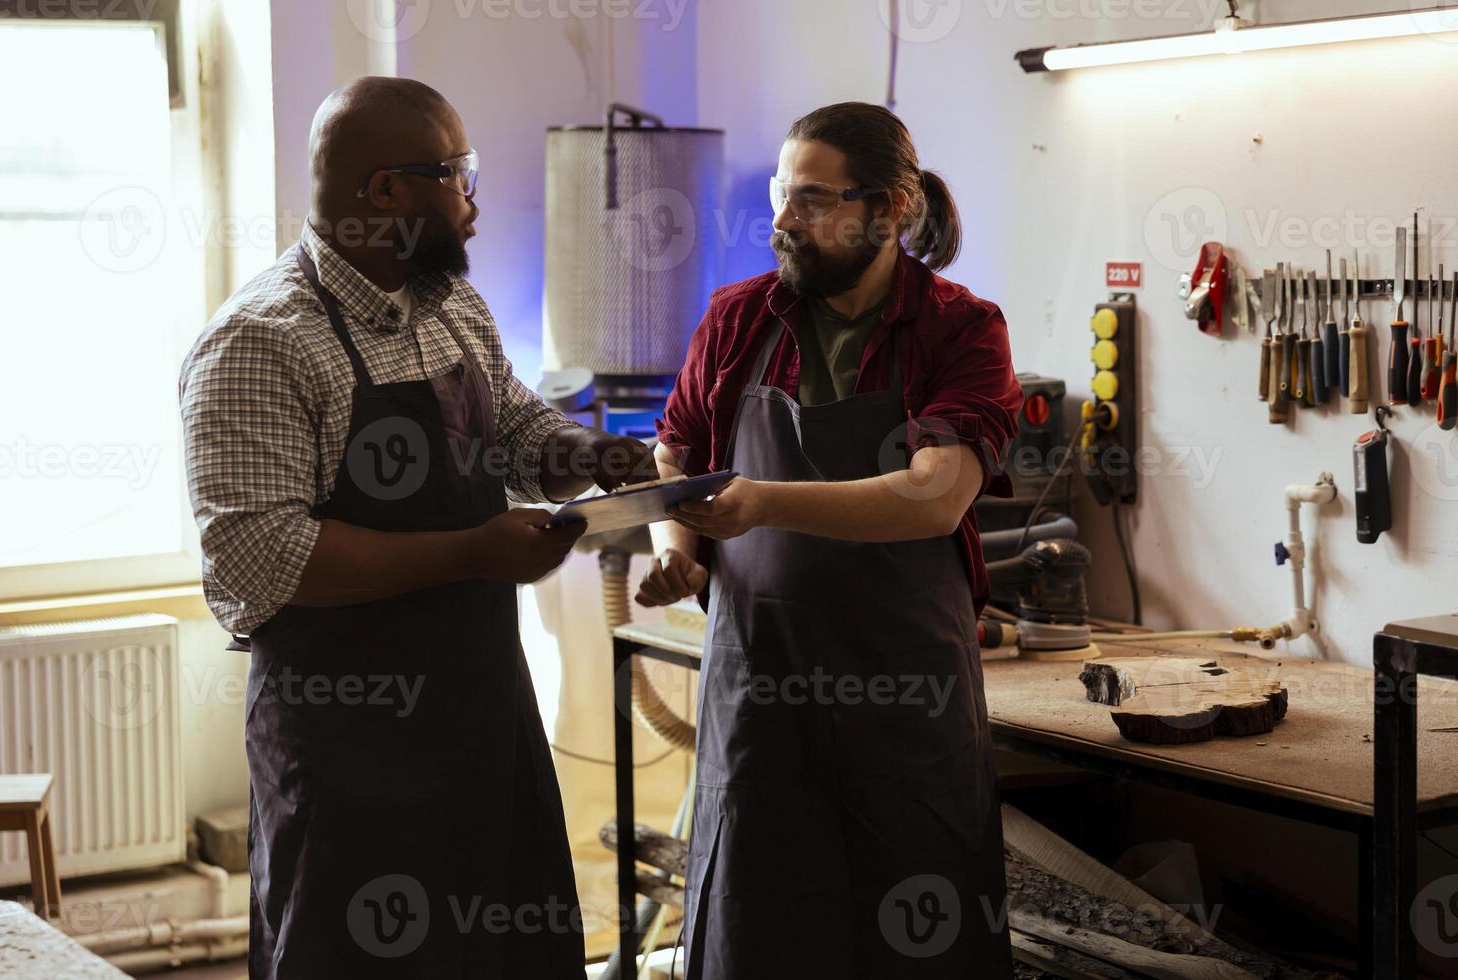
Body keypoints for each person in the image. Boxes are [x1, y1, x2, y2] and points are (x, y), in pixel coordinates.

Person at [179, 76, 654, 979]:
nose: (475, 198)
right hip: (348, 748)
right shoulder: (258, 343)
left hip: (482, 718)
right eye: (458, 172)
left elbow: (516, 431)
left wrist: (587, 456)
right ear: (386, 191)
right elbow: (258, 556)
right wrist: (475, 551)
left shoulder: (453, 306)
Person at [639, 101, 1023, 978]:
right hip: (760, 697)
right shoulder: (740, 319)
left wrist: (764, 503)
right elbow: (679, 447)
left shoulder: (961, 329)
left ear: (891, 210)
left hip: (904, 705)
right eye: (782, 194)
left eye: (813, 200)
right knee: (758, 934)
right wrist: (677, 549)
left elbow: (935, 496)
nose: (782, 221)